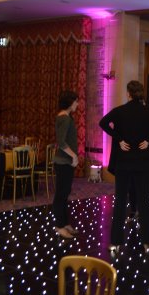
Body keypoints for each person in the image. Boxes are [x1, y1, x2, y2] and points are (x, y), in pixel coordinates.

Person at [99, 80, 149, 254]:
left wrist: (119, 139)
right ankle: (147, 242)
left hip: (124, 162)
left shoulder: (120, 111)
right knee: (144, 202)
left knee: (121, 201)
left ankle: (115, 241)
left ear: (128, 94)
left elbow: (103, 123)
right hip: (143, 162)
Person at [52, 90, 80, 239]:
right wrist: (74, 155)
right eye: (75, 101)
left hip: (65, 162)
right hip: (63, 162)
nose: (77, 104)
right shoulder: (64, 118)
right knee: (61, 194)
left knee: (65, 193)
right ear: (69, 102)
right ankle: (59, 226)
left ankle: (65, 222)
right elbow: (61, 142)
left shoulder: (67, 117)